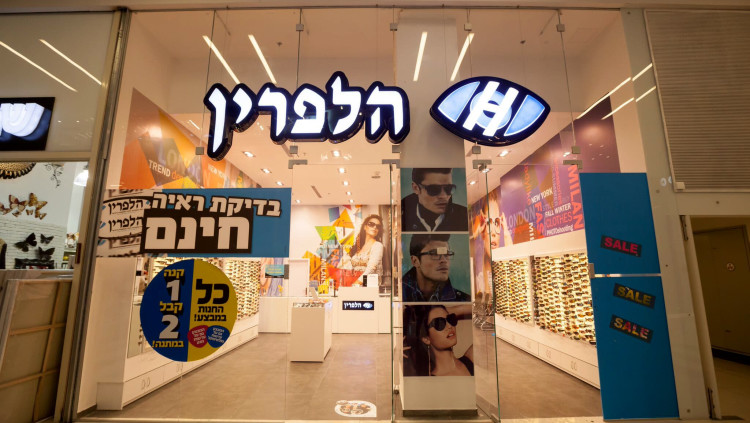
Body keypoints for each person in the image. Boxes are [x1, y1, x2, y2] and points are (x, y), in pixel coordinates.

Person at [404, 304, 474, 376]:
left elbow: (481, 307)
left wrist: (452, 310)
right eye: (439, 323)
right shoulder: (427, 380)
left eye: (450, 319)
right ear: (426, 339)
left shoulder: (471, 360)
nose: (449, 326)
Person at [402, 234, 470, 302]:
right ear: (415, 261)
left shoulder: (463, 301)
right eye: (434, 254)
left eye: (446, 254)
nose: (444, 260)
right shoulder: (400, 295)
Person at [402, 168, 468, 232]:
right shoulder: (402, 217)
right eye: (433, 189)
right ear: (416, 188)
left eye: (448, 188)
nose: (443, 196)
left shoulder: (464, 217)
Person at [349, 214, 384, 280]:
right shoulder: (359, 246)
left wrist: (358, 282)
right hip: (355, 283)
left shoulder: (378, 246)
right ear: (365, 227)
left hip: (369, 283)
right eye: (371, 224)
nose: (375, 227)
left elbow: (371, 269)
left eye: (378, 226)